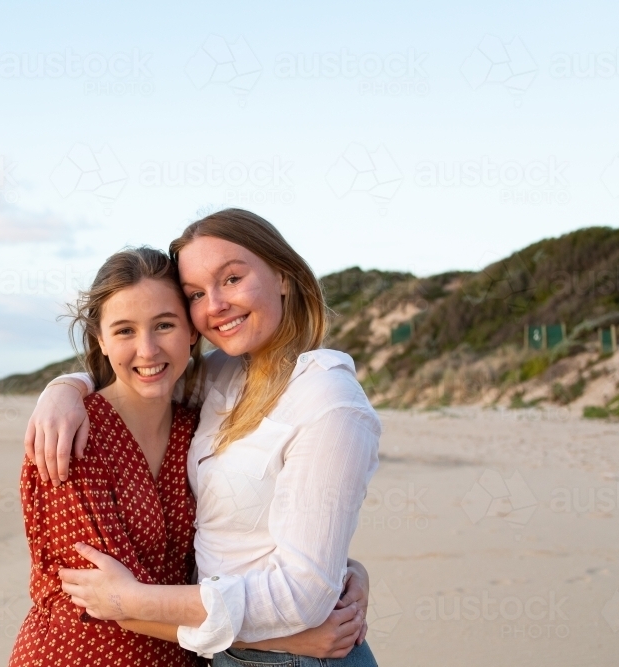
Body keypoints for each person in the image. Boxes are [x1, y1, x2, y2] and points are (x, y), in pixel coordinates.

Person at [27, 209, 382, 665]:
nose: (215, 305)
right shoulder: (222, 378)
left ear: (284, 277)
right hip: (233, 651)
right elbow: (145, 372)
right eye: (197, 293)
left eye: (232, 279)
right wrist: (63, 389)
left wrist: (134, 601)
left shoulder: (329, 400)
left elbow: (304, 593)